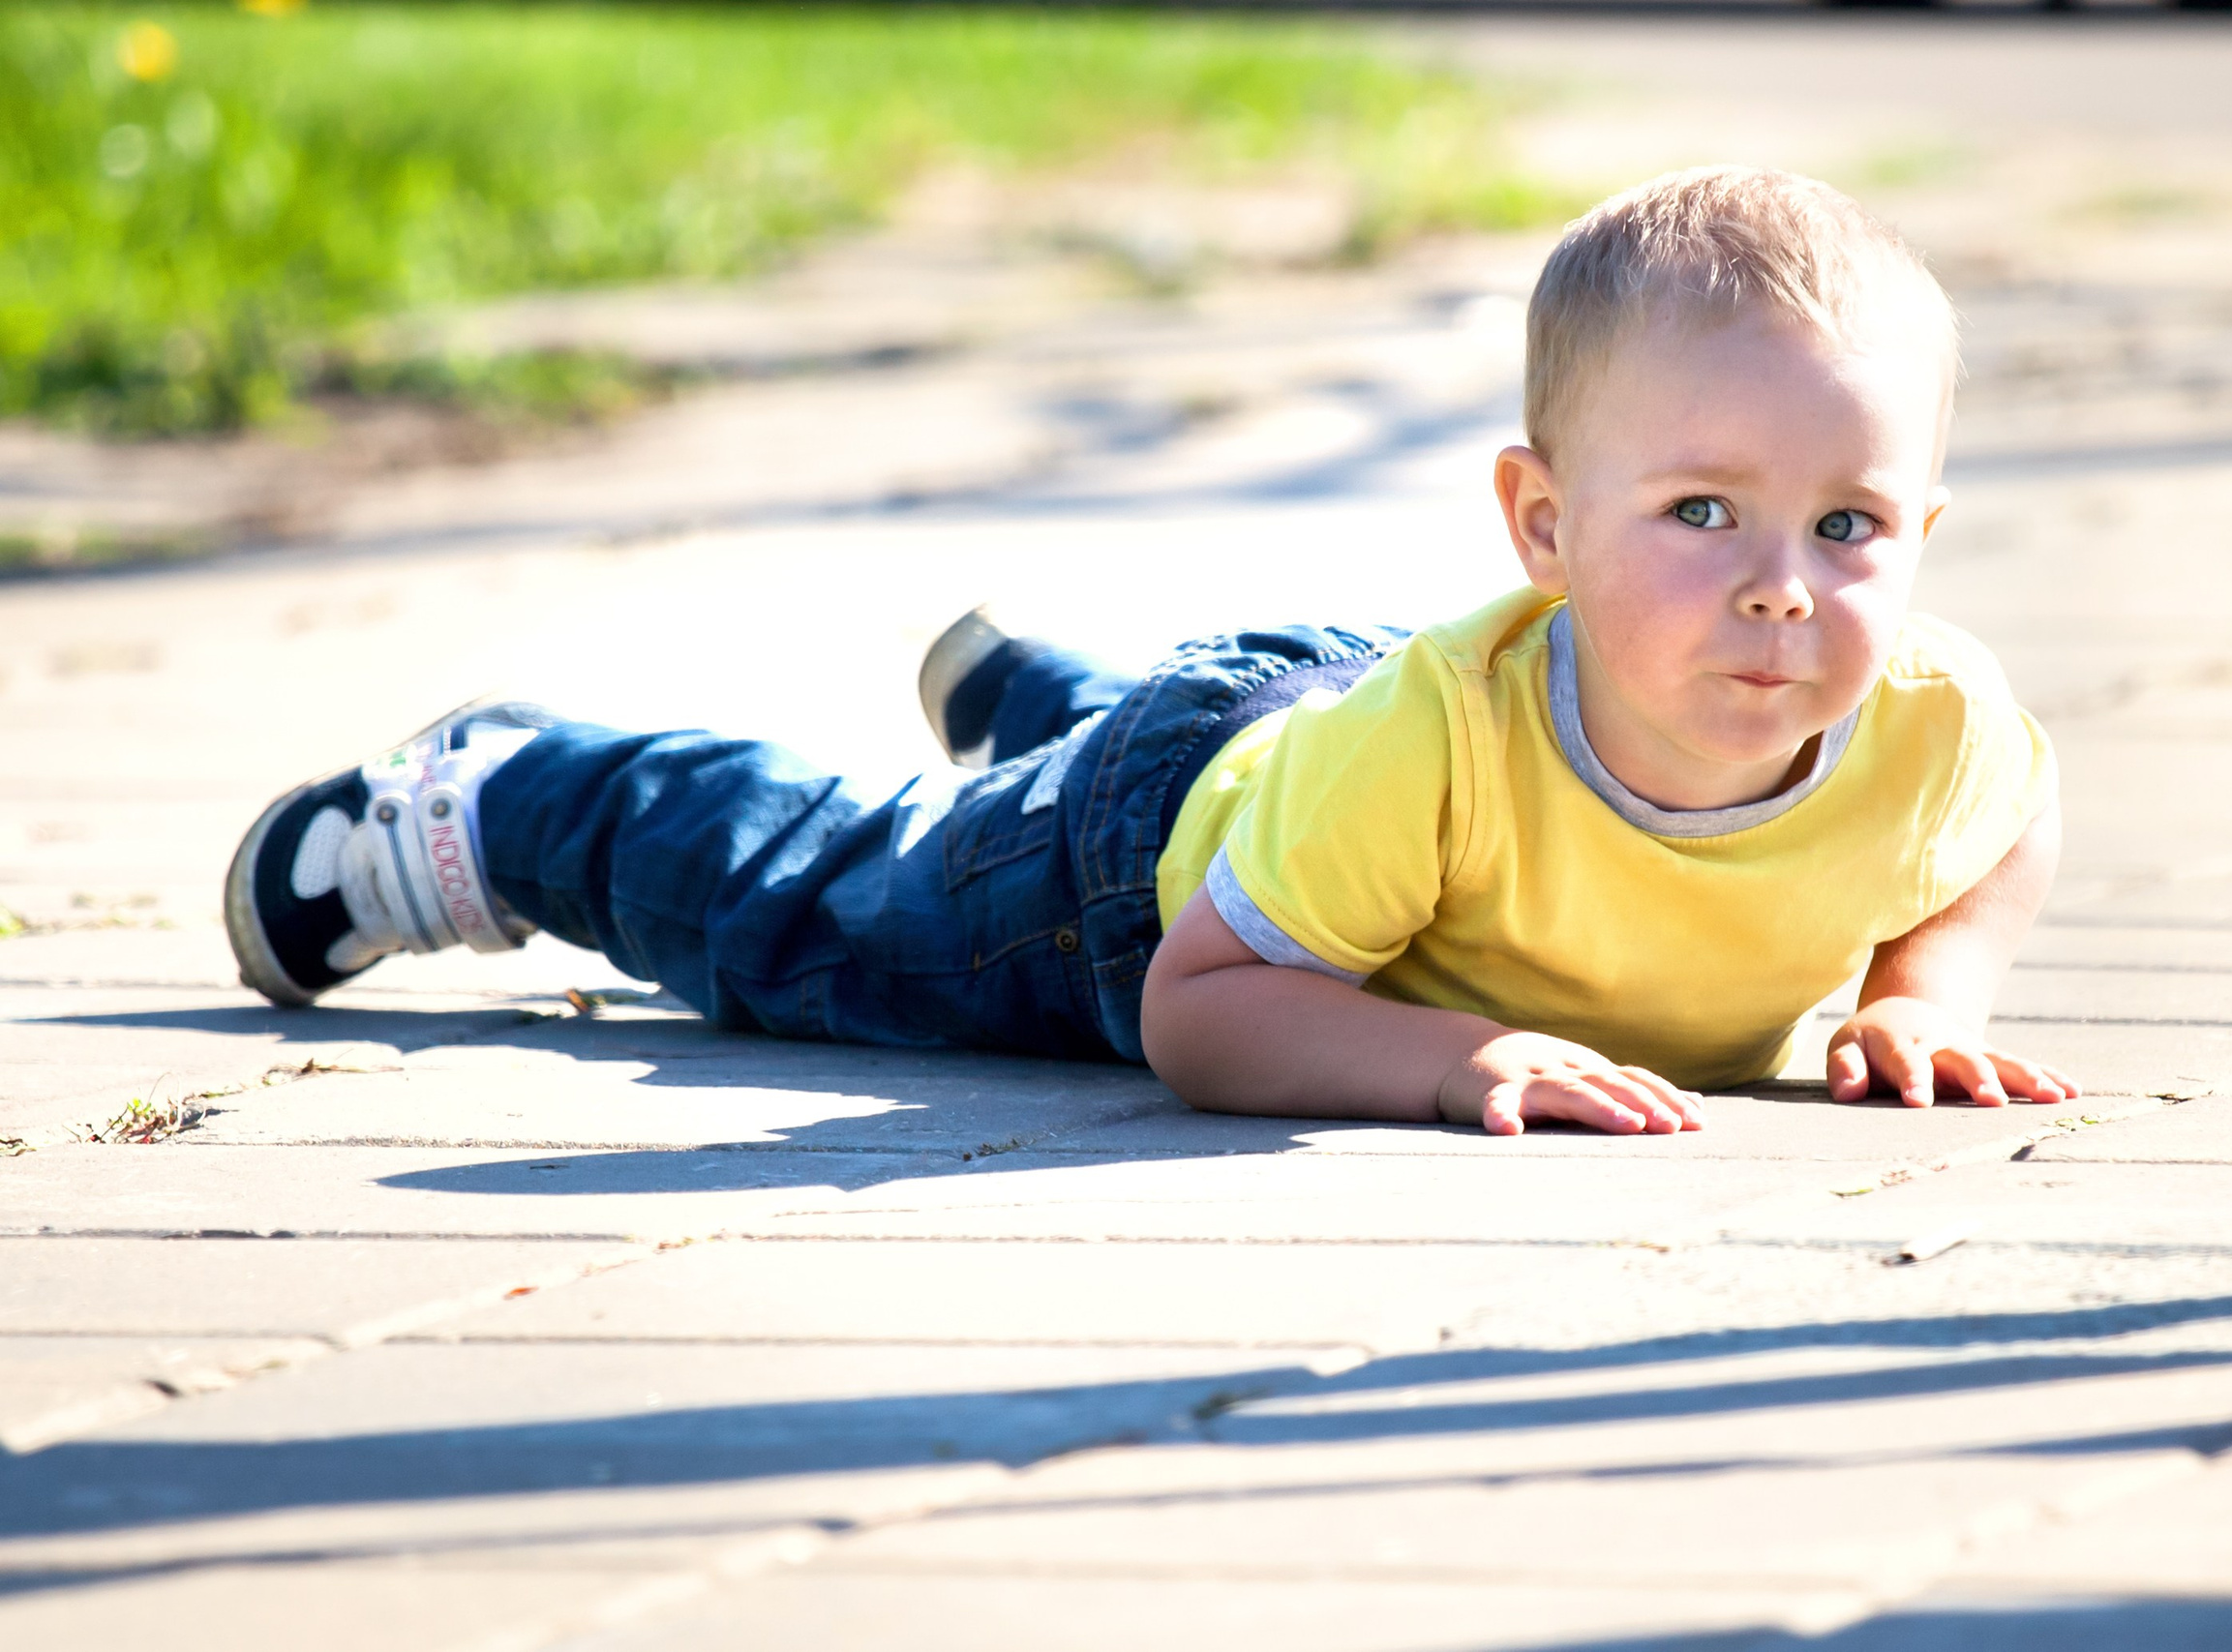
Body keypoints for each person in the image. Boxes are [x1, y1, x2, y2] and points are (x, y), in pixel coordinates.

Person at [225, 166, 2079, 1138]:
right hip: (1140, 874)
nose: (1782, 587)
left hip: (1306, 754)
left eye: (1848, 528)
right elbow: (1201, 1014)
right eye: (1700, 514)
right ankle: (514, 799)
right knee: (829, 912)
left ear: (1921, 539)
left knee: (1240, 768)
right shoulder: (1436, 746)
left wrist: (1930, 999)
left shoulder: (1935, 723)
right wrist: (1446, 1063)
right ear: (1543, 529)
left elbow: (2004, 831)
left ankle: (1042, 696)